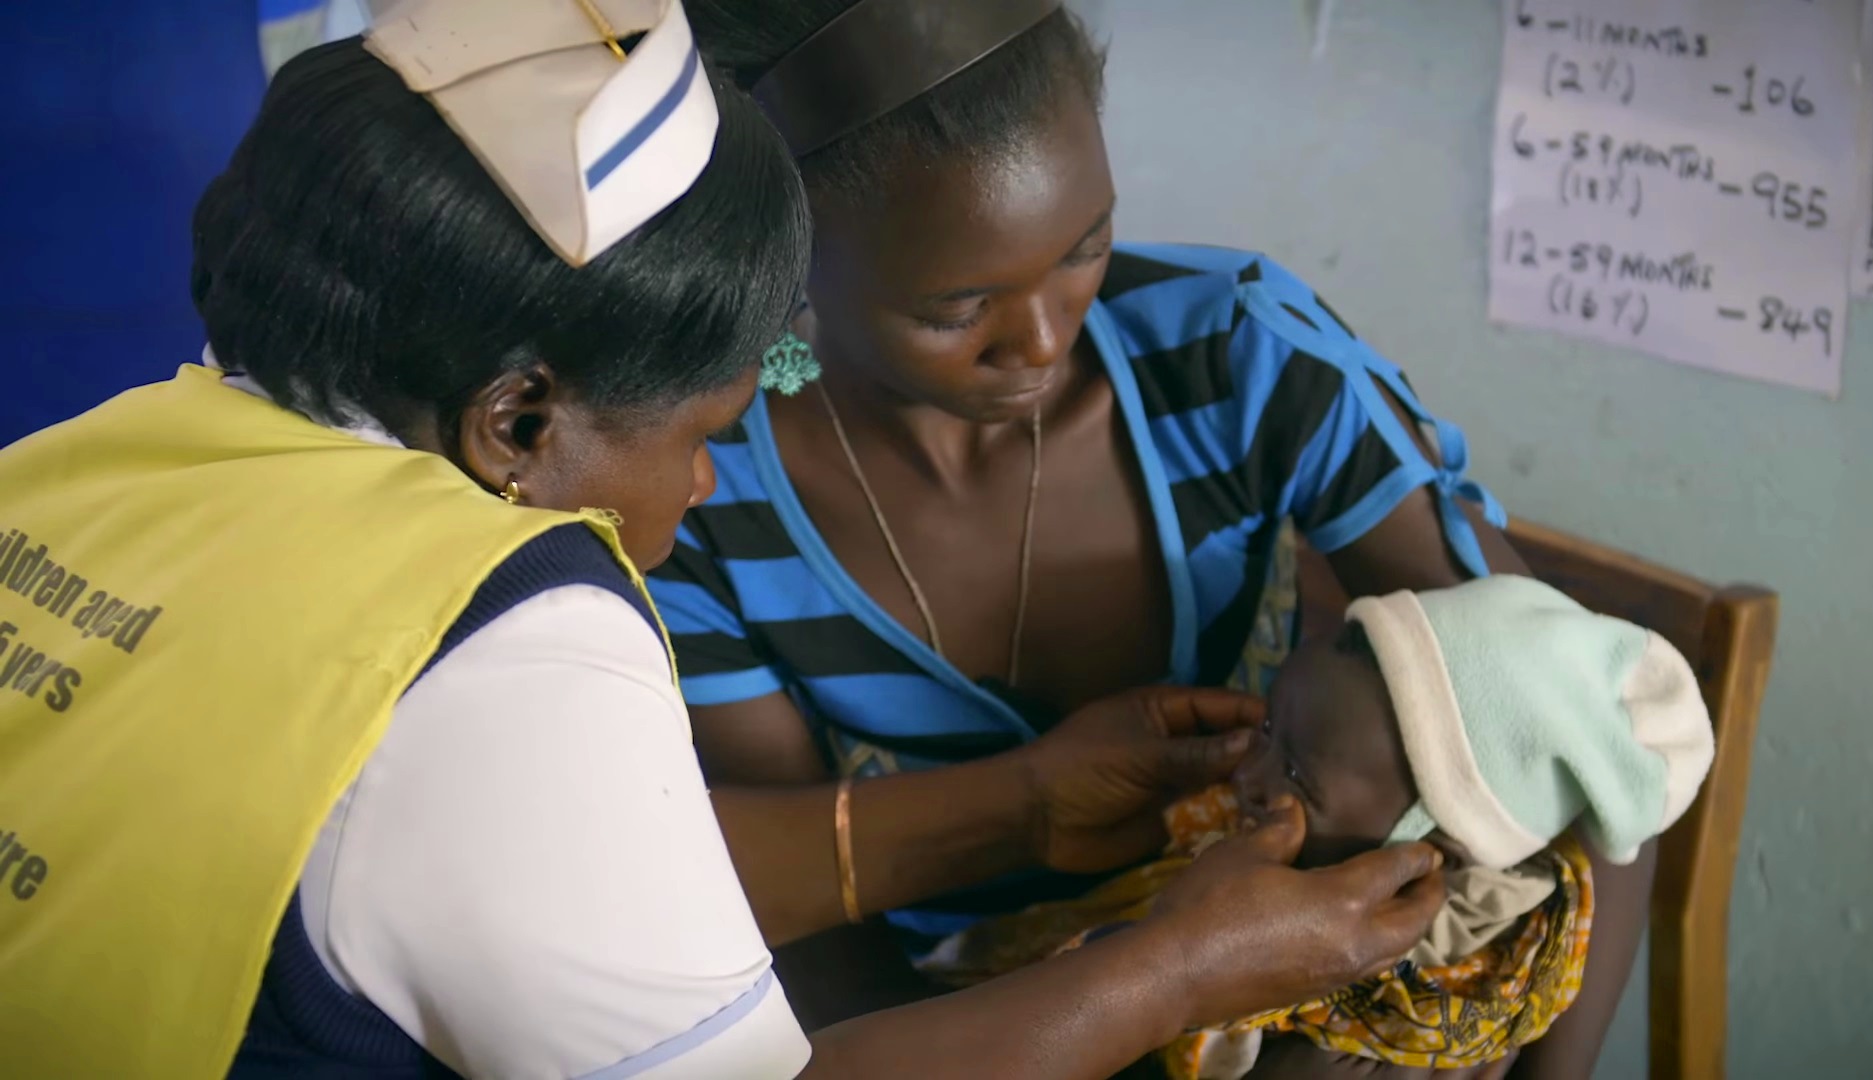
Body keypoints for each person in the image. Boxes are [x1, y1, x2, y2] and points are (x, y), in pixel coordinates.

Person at [0, 3, 1453, 1078]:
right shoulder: (508, 654)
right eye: (701, 432)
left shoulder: (68, 468)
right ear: (516, 420)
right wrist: (1184, 967)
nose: (703, 489)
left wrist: (1033, 821)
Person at [658, 0, 1658, 1072]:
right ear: (790, 257)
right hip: (958, 1008)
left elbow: (1590, 748)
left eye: (1086, 245)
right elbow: (803, 924)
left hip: (1279, 979)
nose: (1046, 339)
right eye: (957, 311)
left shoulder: (1238, 354)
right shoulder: (699, 485)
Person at [920, 576, 1715, 1078]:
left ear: (1428, 855)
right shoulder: (1237, 863)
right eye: (1269, 731)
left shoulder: (1425, 998)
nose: (1248, 777)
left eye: (1295, 774)